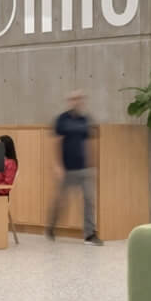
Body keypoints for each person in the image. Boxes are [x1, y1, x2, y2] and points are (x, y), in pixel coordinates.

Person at [50, 90, 101, 245]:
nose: (76, 101)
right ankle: (51, 226)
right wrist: (57, 165)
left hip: (84, 168)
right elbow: (56, 142)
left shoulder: (86, 120)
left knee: (89, 199)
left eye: (79, 99)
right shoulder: (62, 120)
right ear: (69, 101)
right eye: (73, 99)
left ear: (82, 101)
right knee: (61, 201)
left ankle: (90, 234)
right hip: (67, 169)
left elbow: (90, 143)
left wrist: (93, 164)